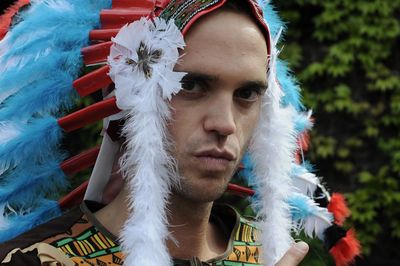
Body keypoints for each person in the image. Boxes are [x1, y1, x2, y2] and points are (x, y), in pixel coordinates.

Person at [1, 0, 358, 265]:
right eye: (190, 84)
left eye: (247, 94)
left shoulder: (270, 255)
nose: (225, 123)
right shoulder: (35, 260)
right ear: (130, 98)